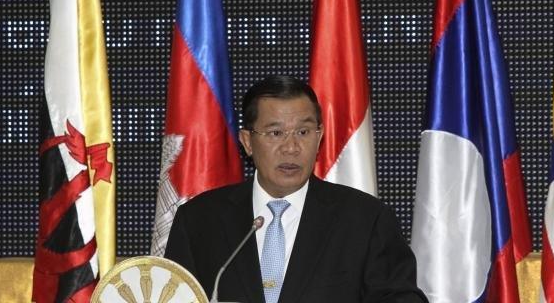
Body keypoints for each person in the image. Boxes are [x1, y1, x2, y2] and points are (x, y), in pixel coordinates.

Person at [165, 75, 427, 302]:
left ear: (319, 136)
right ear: (247, 141)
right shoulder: (199, 220)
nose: (291, 148)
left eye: (303, 132)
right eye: (276, 133)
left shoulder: (365, 219)